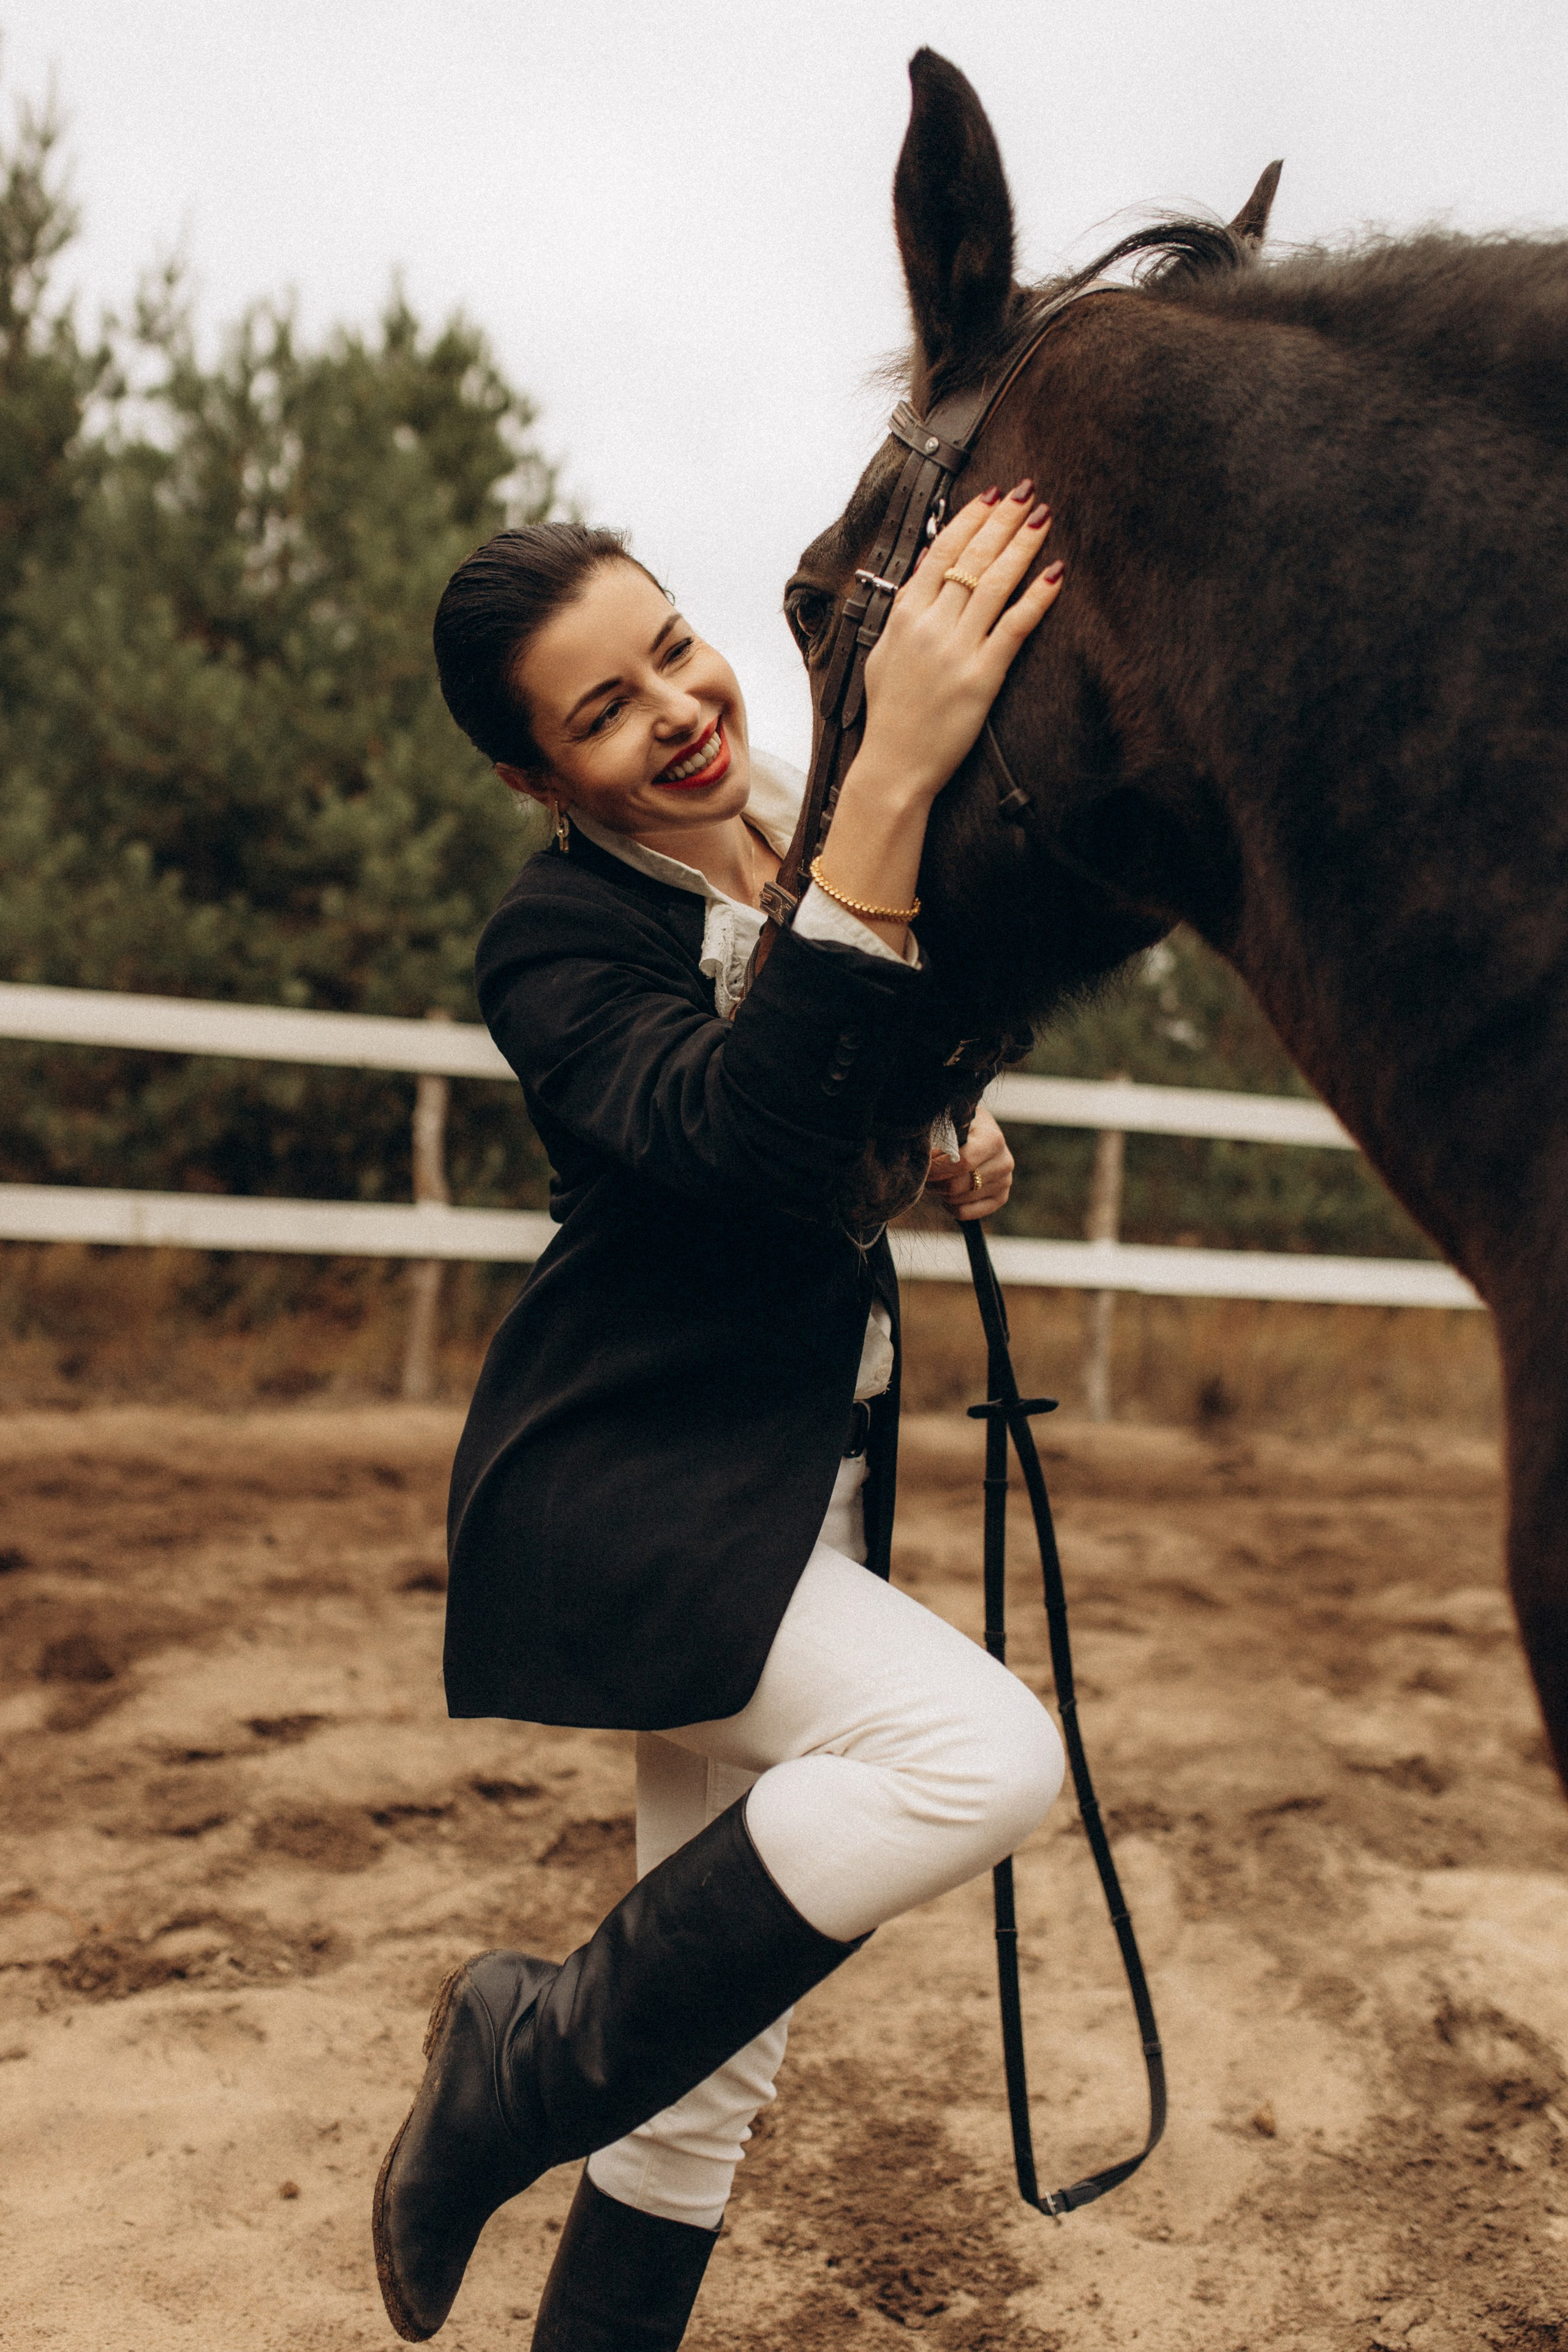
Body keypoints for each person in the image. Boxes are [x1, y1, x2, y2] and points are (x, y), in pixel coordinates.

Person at [373, 483, 1068, 2348]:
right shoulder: (555, 943)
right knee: (983, 1761)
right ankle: (522, 2057)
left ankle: (567, 2071)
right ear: (544, 782)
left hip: (789, 1482)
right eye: (602, 710)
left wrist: (924, 1141)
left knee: (703, 2084)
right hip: (628, 1493)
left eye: (669, 647)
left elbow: (813, 1125)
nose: (676, 707)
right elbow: (727, 1126)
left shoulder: (778, 849)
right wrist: (894, 780)